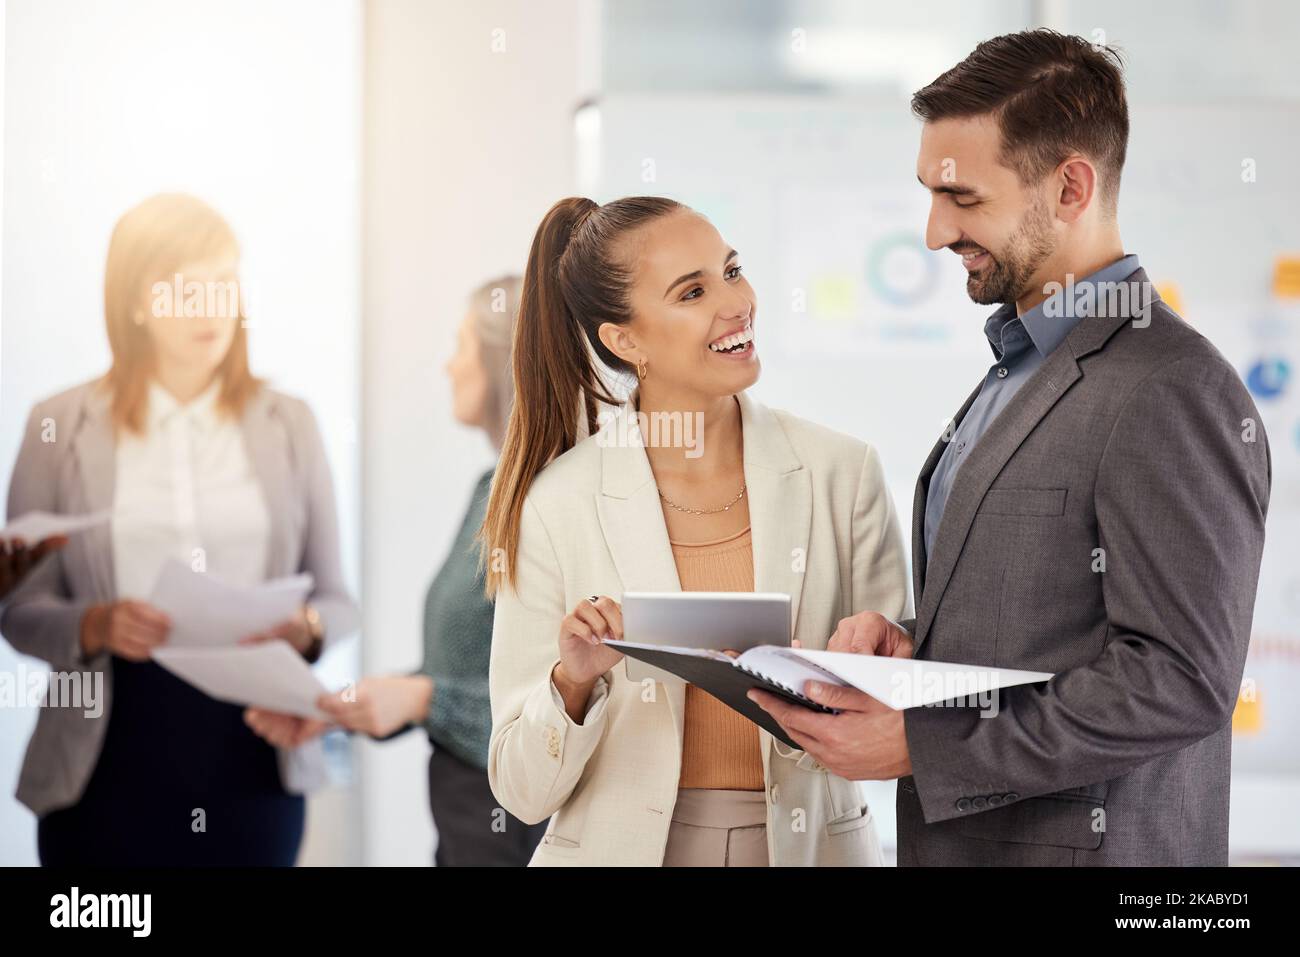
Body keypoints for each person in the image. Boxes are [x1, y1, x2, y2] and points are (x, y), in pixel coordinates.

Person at [750, 29, 1271, 866]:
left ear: (1070, 187)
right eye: (928, 195)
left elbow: (1179, 677)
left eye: (961, 198)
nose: (932, 232)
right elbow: (1049, 624)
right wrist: (916, 650)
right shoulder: (1015, 369)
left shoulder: (1169, 388)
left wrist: (927, 744)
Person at [484, 196, 911, 866]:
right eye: (693, 290)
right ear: (624, 340)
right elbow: (519, 790)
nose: (737, 301)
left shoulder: (843, 472)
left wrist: (852, 682)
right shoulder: (557, 504)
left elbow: (900, 736)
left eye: (732, 270)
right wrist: (574, 681)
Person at [1, 192, 358, 866]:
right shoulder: (59, 426)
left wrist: (306, 627)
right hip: (105, 752)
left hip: (254, 746)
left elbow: (340, 602)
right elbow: (18, 610)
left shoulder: (291, 424)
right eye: (184, 289)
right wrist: (94, 623)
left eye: (223, 284)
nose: (209, 308)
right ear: (136, 302)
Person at [245, 276, 548, 866]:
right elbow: (460, 668)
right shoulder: (491, 491)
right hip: (468, 819)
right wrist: (342, 707)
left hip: (520, 828)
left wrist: (423, 701)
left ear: (501, 359)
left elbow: (573, 697)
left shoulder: (547, 498)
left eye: (460, 346)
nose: (448, 367)